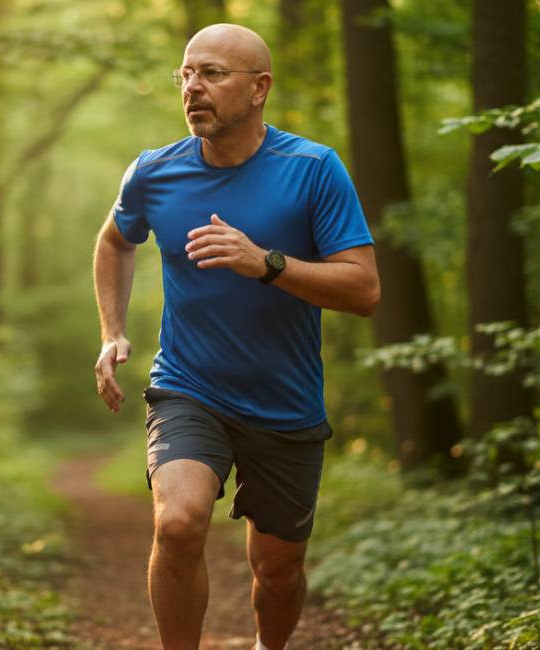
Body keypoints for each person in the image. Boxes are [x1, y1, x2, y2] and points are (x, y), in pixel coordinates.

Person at [92, 23, 380, 650]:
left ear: (259, 89)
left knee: (277, 574)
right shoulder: (154, 173)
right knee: (179, 524)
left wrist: (266, 263)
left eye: (213, 74)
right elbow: (115, 240)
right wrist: (112, 332)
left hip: (286, 402)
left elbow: (364, 291)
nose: (194, 87)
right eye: (187, 74)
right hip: (188, 387)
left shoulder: (314, 170)